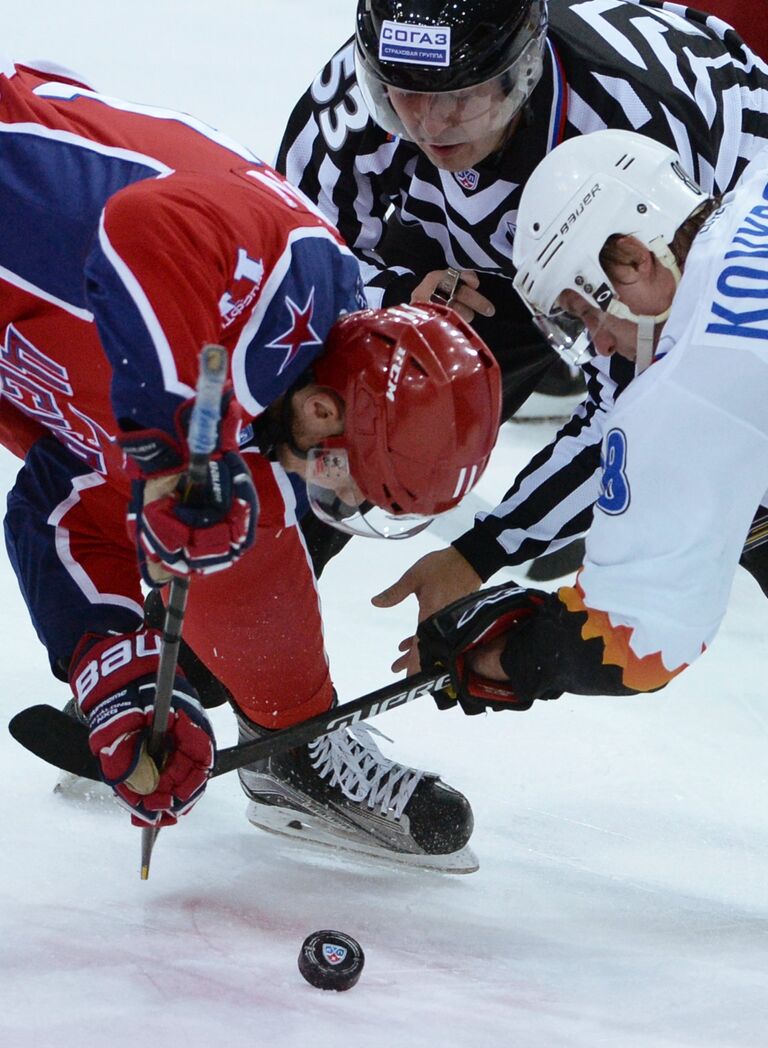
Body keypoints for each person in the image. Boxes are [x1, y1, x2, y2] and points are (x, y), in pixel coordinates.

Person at [0, 55, 501, 871]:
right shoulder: (286, 261)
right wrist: (171, 455)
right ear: (321, 409)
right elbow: (145, 227)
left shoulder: (253, 395)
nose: (330, 492)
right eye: (346, 476)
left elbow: (61, 511)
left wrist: (119, 678)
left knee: (237, 517)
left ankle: (289, 736)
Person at [277, 0, 768, 594]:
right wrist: (395, 295)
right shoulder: (366, 88)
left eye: (460, 95)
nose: (430, 126)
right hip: (499, 243)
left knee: (729, 467)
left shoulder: (631, 143)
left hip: (674, 229)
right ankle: (244, 616)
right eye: (402, 95)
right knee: (359, 375)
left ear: (524, 68)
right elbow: (288, 266)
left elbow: (638, 409)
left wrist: (486, 549)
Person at [415, 127, 768, 711]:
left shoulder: (691, 390)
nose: (599, 347)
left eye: (586, 311)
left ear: (632, 257)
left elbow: (631, 644)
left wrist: (507, 657)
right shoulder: (756, 176)